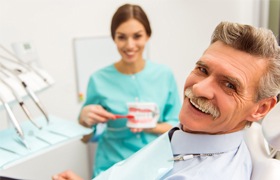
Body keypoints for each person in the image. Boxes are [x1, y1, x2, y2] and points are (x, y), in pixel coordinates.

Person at [53, 21, 280, 180]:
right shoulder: (191, 134)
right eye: (202, 69)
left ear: (261, 108)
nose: (199, 88)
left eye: (229, 85)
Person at [77, 3, 181, 178]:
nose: (130, 45)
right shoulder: (98, 79)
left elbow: (177, 127)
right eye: (122, 37)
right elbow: (85, 137)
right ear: (114, 38)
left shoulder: (164, 75)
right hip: (111, 168)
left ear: (148, 35)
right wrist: (83, 121)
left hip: (155, 166)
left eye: (137, 36)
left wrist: (150, 126)